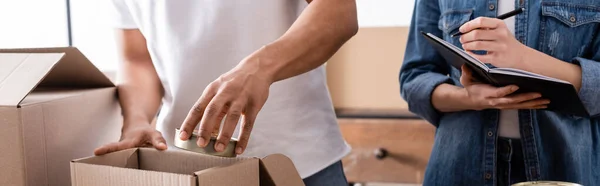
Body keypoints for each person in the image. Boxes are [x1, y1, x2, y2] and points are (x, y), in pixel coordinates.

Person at [94, 1, 358, 185]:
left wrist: (260, 68)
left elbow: (339, 11)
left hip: (301, 162)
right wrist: (136, 120)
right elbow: (137, 59)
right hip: (184, 165)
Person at [400, 0, 600, 185]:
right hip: (457, 167)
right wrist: (468, 98)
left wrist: (522, 57)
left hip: (565, 168)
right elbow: (414, 78)